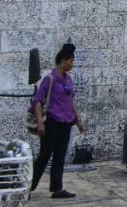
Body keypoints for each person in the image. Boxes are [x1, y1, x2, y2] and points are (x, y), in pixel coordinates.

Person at [31, 42, 84, 198]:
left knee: (60, 156)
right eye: (71, 61)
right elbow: (38, 101)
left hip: (66, 122)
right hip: (51, 122)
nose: (72, 64)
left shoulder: (68, 80)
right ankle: (29, 185)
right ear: (63, 61)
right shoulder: (50, 79)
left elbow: (71, 101)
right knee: (45, 154)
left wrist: (78, 119)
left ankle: (57, 188)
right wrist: (40, 122)